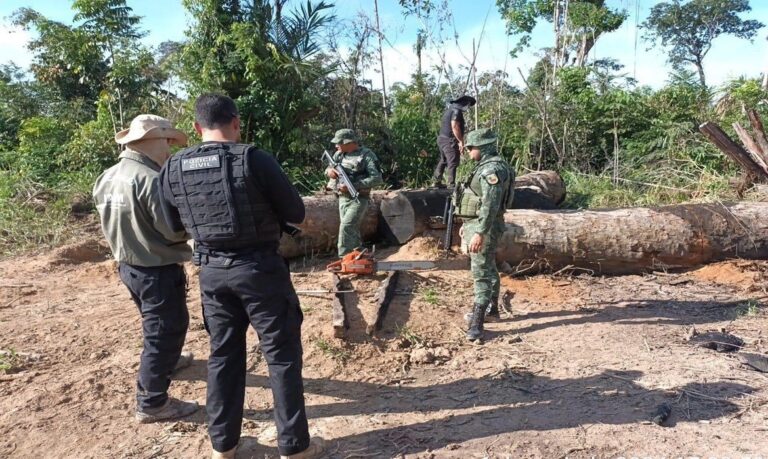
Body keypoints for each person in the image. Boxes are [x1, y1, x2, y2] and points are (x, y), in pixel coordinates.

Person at [158, 94, 323, 459]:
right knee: (281, 357)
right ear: (236, 122)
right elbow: (295, 212)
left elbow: (173, 226)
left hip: (212, 274)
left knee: (223, 356)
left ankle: (223, 447)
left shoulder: (172, 168)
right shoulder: (253, 158)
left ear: (197, 128)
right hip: (260, 271)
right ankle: (294, 448)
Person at [92, 114, 199, 423]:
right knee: (165, 330)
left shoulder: (108, 176)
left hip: (128, 265)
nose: (169, 150)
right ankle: (152, 402)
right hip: (157, 269)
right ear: (154, 141)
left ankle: (170, 360)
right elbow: (172, 231)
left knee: (155, 323)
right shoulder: (150, 180)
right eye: (168, 142)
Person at [455, 128, 514, 342]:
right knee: (488, 267)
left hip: (485, 227)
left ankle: (477, 324)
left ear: (484, 147)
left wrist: (479, 232)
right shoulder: (487, 166)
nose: (469, 152)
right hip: (478, 224)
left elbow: (490, 204)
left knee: (480, 272)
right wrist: (468, 224)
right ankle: (492, 310)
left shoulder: (492, 169)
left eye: (471, 148)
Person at [325, 128, 383, 257]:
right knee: (352, 228)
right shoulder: (338, 155)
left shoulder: (367, 155)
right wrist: (329, 172)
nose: (336, 145)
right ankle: (358, 254)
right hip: (342, 197)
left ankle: (344, 257)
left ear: (349, 142)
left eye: (339, 143)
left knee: (347, 226)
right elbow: (329, 168)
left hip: (359, 198)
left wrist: (354, 185)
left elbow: (377, 178)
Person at [433, 95, 476, 188]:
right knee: (453, 161)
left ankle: (437, 181)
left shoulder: (449, 110)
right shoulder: (456, 111)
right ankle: (451, 184)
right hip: (449, 140)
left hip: (442, 139)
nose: (468, 107)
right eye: (468, 104)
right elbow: (455, 126)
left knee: (444, 160)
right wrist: (461, 141)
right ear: (465, 103)